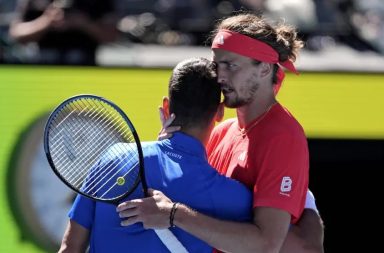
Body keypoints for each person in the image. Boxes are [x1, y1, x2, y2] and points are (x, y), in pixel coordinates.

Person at [117, 12, 324, 253]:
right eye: (217, 65)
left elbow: (266, 245)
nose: (219, 76)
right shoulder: (222, 131)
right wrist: (170, 150)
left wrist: (174, 215)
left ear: (265, 69)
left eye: (231, 65)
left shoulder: (283, 137)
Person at [58, 57, 255, 252]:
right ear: (220, 112)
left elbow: (69, 248)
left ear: (167, 107)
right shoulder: (234, 197)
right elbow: (269, 243)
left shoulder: (113, 158)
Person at [8, 0, 118, 65]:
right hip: (42, 76)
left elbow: (112, 36)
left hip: (84, 74)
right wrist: (46, 21)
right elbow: (16, 35)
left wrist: (84, 23)